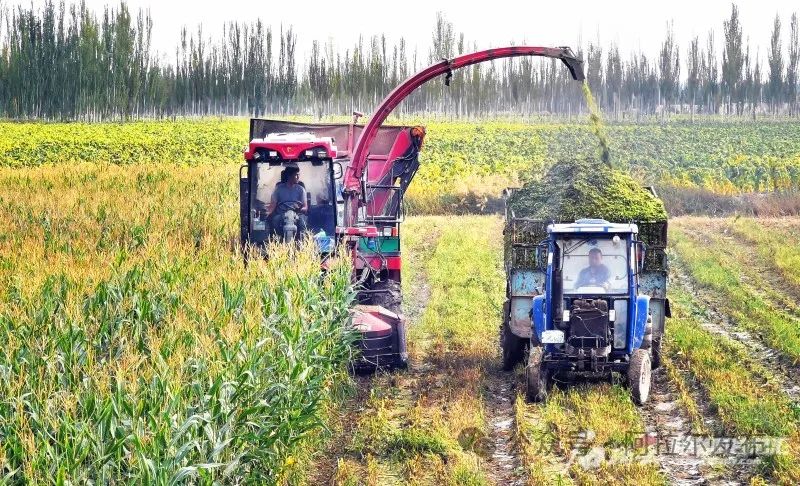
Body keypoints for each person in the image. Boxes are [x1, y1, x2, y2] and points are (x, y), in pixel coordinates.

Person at [269, 165, 308, 237]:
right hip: (282, 215)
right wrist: (265, 214)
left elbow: (305, 208)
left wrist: (299, 209)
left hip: (297, 215)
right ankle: (276, 241)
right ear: (289, 176)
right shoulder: (278, 189)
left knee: (303, 222)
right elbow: (272, 206)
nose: (298, 177)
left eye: (298, 175)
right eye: (296, 175)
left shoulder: (301, 189)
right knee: (275, 220)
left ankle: (303, 243)